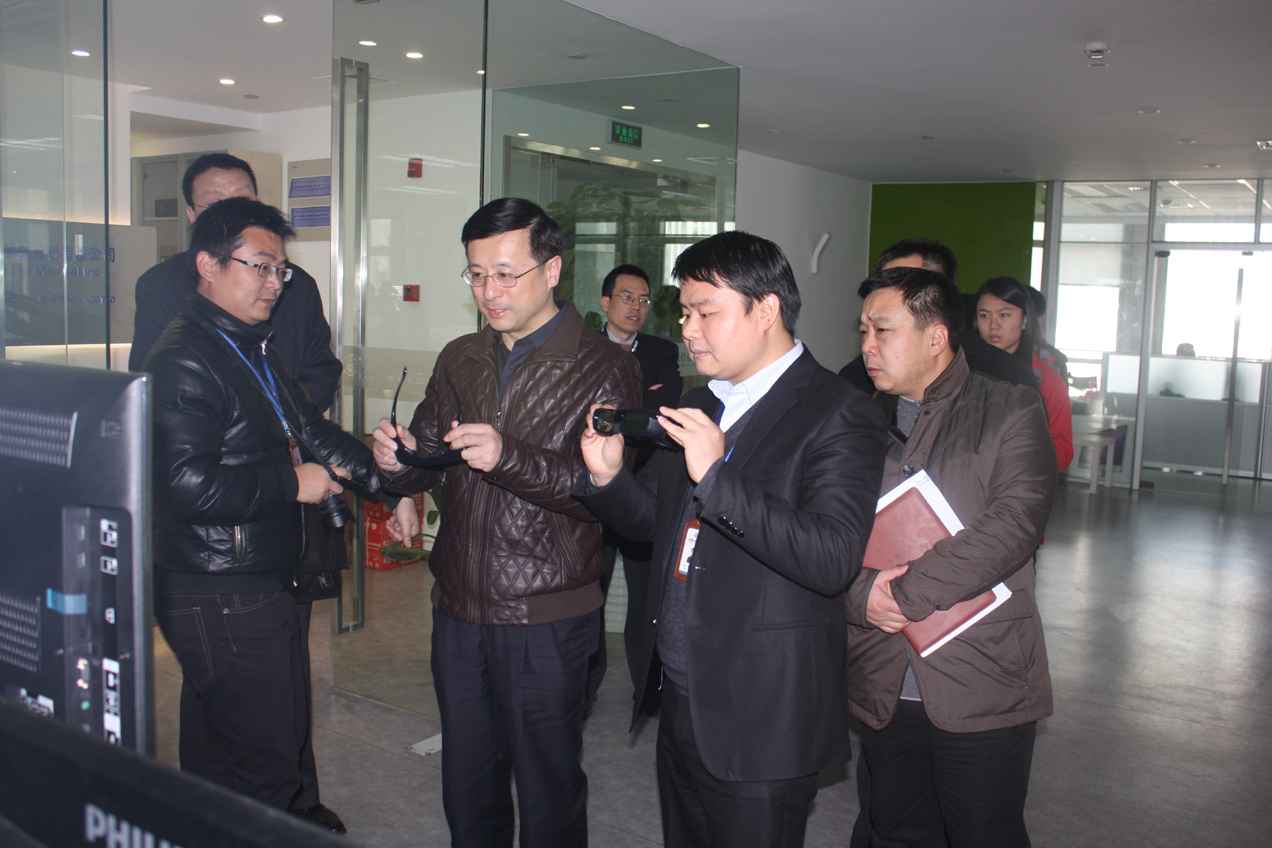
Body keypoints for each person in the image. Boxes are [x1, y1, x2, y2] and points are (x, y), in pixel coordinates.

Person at [578, 231, 887, 848]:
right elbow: (656, 526)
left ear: (765, 309)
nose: (688, 330)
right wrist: (608, 478)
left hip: (762, 711)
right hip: (682, 691)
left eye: (705, 313)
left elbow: (831, 558)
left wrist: (717, 478)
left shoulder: (839, 410)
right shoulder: (702, 403)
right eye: (684, 313)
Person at [370, 198, 641, 847]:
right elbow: (429, 455)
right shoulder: (462, 355)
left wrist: (507, 457)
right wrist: (397, 462)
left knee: (548, 788)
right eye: (476, 274)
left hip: (547, 615)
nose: (489, 291)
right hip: (459, 608)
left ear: (552, 270)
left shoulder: (605, 366)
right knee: (468, 784)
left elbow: (601, 496)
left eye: (505, 274)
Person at [129, 152, 347, 832]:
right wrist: (288, 470)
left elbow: (313, 389)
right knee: (256, 730)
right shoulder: (179, 329)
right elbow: (177, 462)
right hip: (219, 557)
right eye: (260, 268)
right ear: (203, 243)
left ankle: (265, 811)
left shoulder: (267, 320)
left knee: (259, 707)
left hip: (267, 539)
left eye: (278, 268)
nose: (273, 282)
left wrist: (383, 473)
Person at [848, 266, 1056, 848]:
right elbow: (820, 534)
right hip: (883, 678)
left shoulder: (1010, 408)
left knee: (983, 831)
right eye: (862, 331)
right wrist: (860, 594)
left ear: (935, 336)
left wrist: (901, 595)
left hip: (981, 680)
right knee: (893, 829)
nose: (867, 346)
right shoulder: (853, 420)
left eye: (883, 330)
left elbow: (1014, 525)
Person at [589, 263, 684, 708]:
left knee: (646, 598)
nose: (636, 307)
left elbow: (662, 419)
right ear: (605, 302)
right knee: (591, 590)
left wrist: (616, 421)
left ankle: (648, 691)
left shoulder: (662, 353)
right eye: (627, 298)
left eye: (643, 300)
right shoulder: (584, 350)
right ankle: (583, 684)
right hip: (594, 488)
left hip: (645, 487)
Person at [840, 238, 1036, 392]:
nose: (888, 295)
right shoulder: (856, 381)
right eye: (883, 284)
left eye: (903, 284)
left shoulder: (1006, 380)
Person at [977, 276, 1074, 471]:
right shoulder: (962, 369)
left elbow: (1063, 452)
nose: (993, 325)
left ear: (1024, 321)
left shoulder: (1045, 379)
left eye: (1004, 315)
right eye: (984, 315)